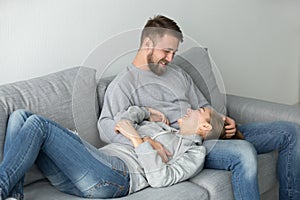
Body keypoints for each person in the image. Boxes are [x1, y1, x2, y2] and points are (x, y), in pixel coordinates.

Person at [98, 15, 300, 200]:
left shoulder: (177, 74)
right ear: (147, 43)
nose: (170, 59)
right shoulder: (124, 84)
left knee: (291, 131)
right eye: (167, 51)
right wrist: (143, 141)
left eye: (174, 53)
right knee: (243, 153)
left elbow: (203, 105)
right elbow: (107, 126)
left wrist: (221, 120)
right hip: (187, 146)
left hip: (210, 130)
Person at [0, 106, 222, 199]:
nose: (190, 110)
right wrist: (147, 113)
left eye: (199, 111)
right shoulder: (163, 126)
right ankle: (14, 196)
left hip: (115, 176)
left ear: (205, 127)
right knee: (20, 115)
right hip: (87, 169)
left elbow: (159, 178)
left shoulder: (193, 152)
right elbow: (122, 122)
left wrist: (137, 139)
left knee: (39, 124)